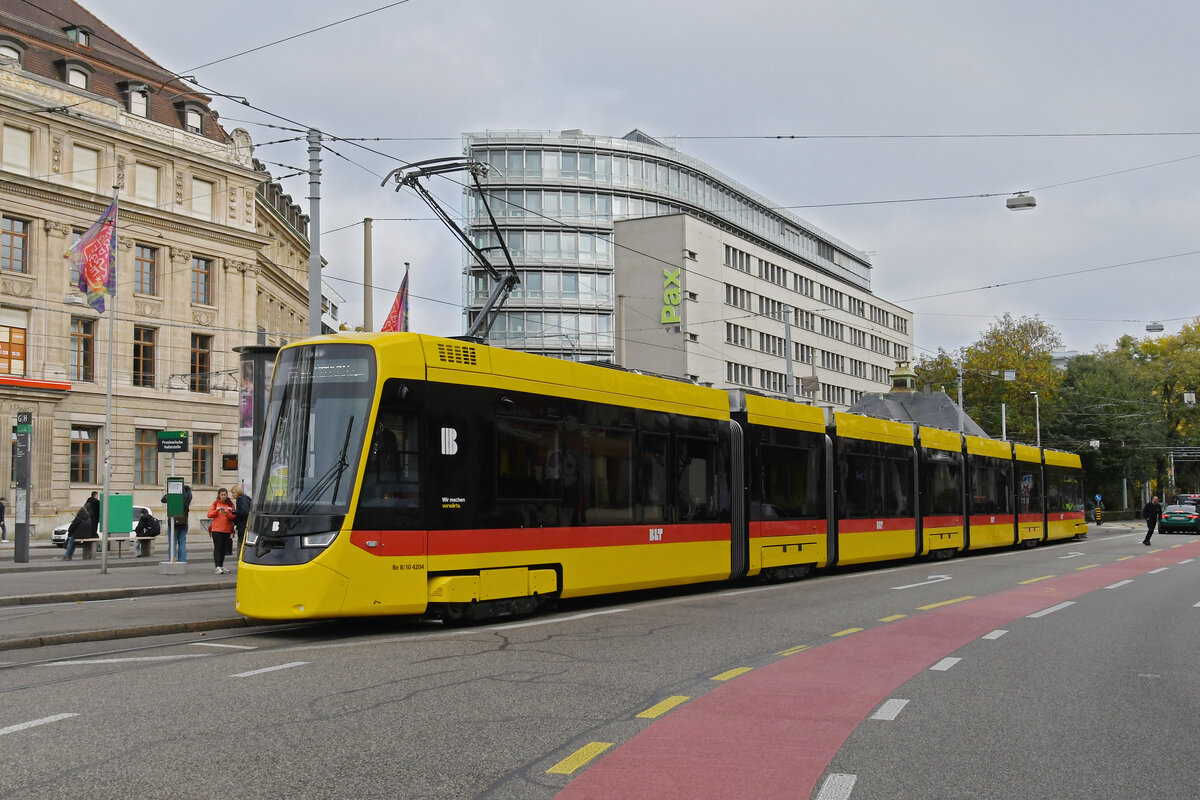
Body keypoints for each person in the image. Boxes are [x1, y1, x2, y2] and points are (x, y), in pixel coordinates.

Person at [207, 487, 236, 574]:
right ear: (219, 496)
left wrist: (227, 515)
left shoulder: (230, 505)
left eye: (225, 495)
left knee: (224, 549)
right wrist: (216, 511)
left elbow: (234, 516)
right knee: (218, 548)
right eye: (222, 495)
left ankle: (221, 566)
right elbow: (209, 514)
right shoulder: (215, 504)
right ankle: (217, 566)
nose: (223, 496)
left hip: (227, 530)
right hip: (216, 529)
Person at [160, 484, 192, 562]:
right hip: (184, 522)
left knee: (172, 543)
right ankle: (182, 560)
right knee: (182, 542)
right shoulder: (188, 496)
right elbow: (189, 492)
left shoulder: (173, 496)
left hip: (173, 522)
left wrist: (170, 492)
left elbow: (163, 499)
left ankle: (173, 559)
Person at [63, 496, 97, 560]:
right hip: (86, 536)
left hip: (78, 535)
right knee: (73, 542)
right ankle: (69, 556)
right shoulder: (88, 519)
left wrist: (70, 534)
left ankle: (67, 555)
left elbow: (71, 527)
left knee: (71, 541)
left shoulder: (79, 519)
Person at [231, 485, 251, 550]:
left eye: (233, 493)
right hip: (243, 524)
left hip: (244, 525)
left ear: (238, 492)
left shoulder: (243, 499)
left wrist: (233, 512)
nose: (232, 495)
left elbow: (244, 512)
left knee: (242, 541)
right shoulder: (242, 499)